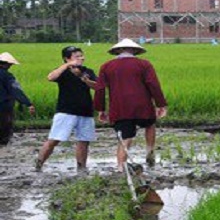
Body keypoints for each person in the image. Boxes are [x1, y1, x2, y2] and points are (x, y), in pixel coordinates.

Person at [94, 39, 167, 171]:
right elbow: (153, 85)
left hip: (120, 107)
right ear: (134, 50)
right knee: (150, 124)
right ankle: (150, 152)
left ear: (117, 51)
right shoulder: (144, 64)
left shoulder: (106, 66)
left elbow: (100, 89)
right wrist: (160, 104)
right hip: (143, 105)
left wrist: (101, 109)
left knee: (125, 137)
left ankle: (121, 167)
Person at [35, 46, 98, 172]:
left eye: (81, 55)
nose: (81, 58)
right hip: (66, 111)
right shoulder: (62, 71)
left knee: (84, 141)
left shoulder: (87, 71)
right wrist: (67, 66)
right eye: (77, 56)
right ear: (67, 58)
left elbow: (97, 87)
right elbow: (51, 77)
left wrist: (85, 80)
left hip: (85, 111)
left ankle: (81, 167)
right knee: (54, 139)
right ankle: (39, 163)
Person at [0, 52, 35, 145]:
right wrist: (28, 103)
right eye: (10, 64)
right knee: (5, 127)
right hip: (3, 106)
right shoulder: (7, 76)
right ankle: (3, 146)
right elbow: (16, 90)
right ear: (7, 64)